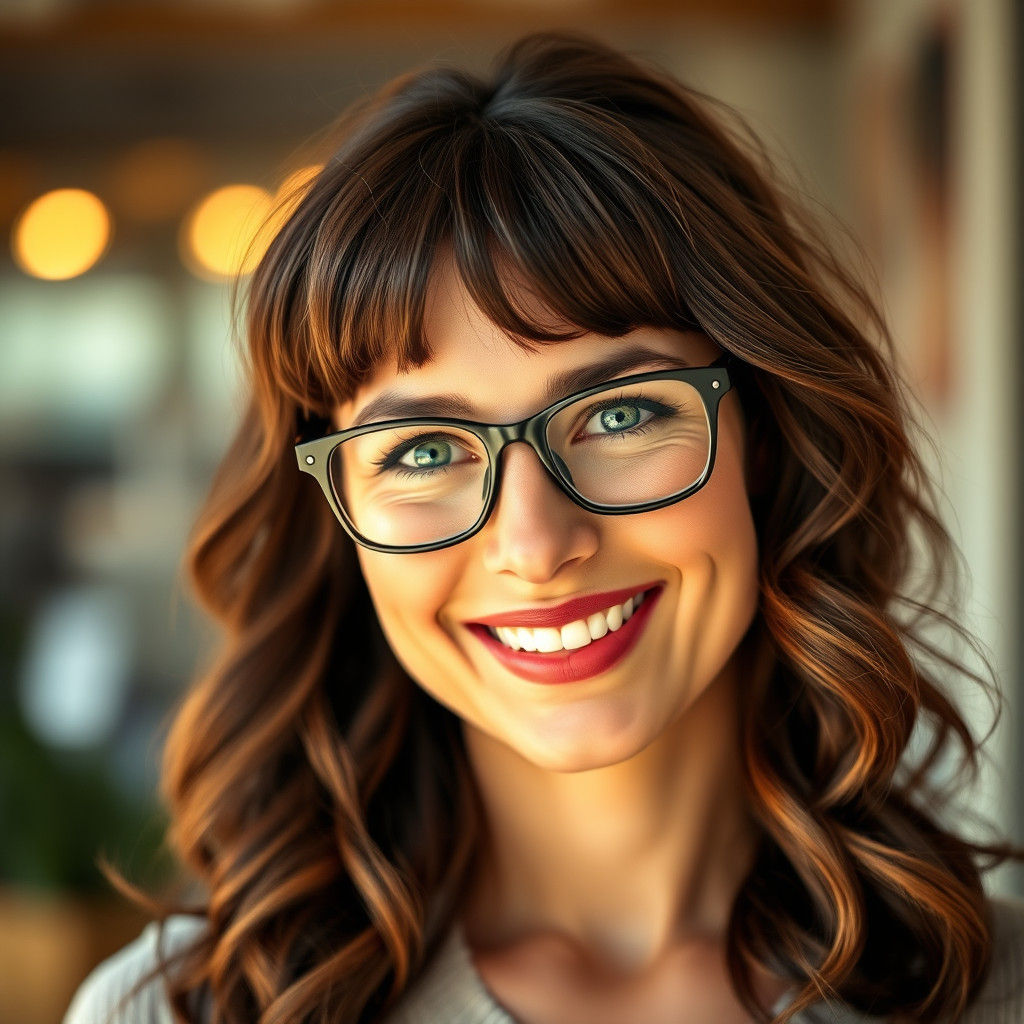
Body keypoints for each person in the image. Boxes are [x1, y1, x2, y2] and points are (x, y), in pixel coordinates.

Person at [64, 30, 1024, 1024]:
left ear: (767, 435)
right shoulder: (183, 1009)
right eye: (424, 450)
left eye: (618, 414)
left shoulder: (994, 987)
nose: (533, 541)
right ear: (339, 519)